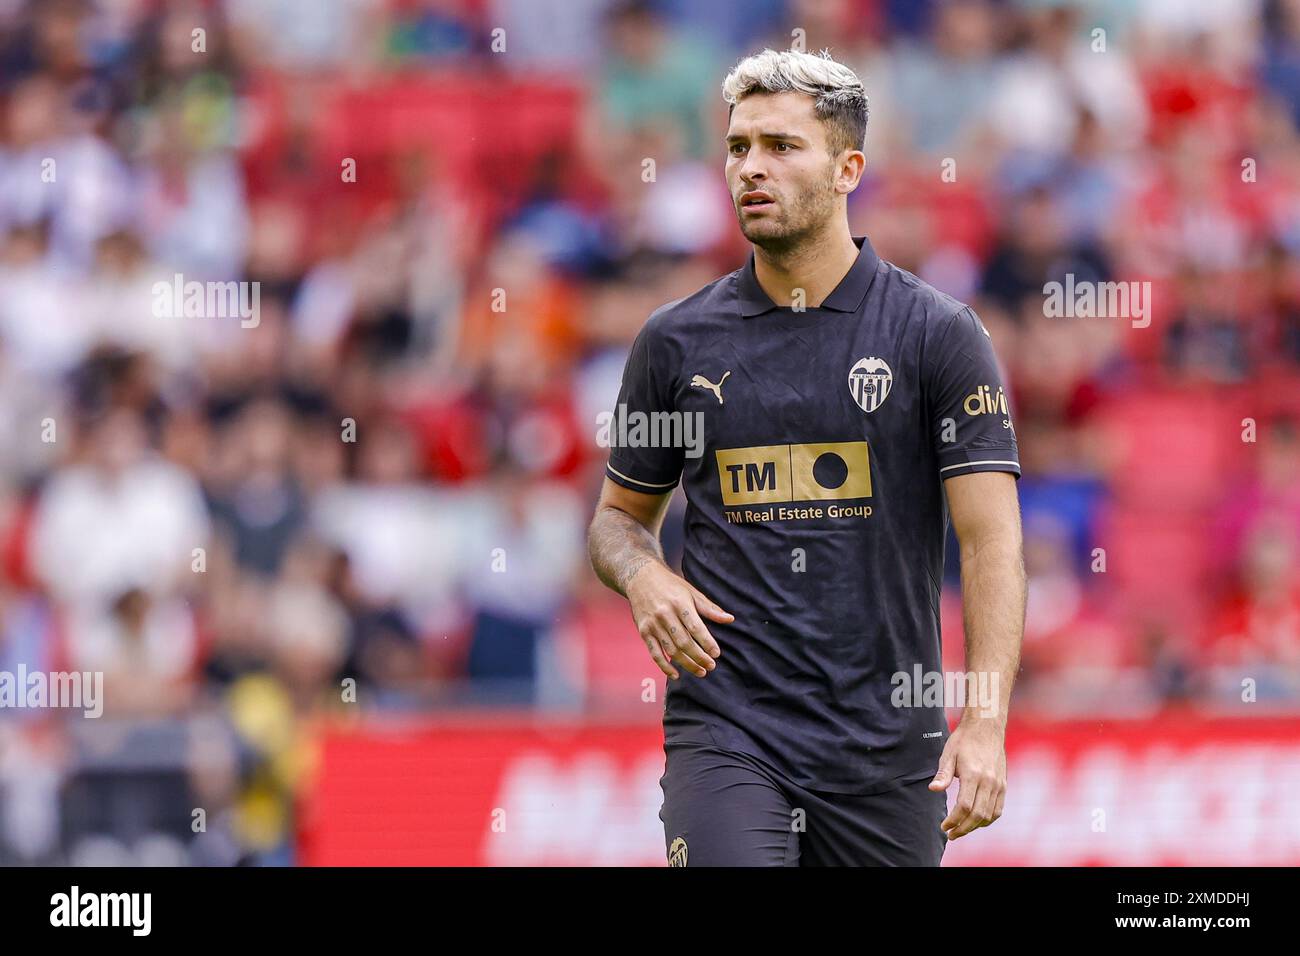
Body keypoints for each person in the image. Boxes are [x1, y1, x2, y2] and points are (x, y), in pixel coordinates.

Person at [587, 49, 1026, 866]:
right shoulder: (674, 343)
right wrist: (643, 574)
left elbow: (992, 542)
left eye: (782, 147)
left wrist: (986, 722)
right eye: (737, 147)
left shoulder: (937, 336)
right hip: (729, 731)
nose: (751, 167)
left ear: (847, 168)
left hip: (887, 748)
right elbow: (618, 520)